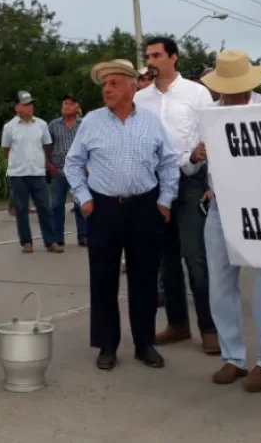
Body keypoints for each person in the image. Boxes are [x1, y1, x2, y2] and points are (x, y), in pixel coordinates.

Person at [64, 59, 180, 371]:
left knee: (144, 280)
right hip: (104, 208)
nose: (107, 89)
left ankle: (145, 344)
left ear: (132, 86)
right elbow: (73, 162)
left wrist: (166, 199)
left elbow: (168, 163)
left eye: (114, 83)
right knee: (103, 279)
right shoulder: (91, 121)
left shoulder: (151, 122)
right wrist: (84, 198)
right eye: (104, 84)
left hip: (145, 206)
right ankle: (107, 345)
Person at [196, 50, 261, 393]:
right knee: (220, 284)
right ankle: (233, 356)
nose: (229, 94)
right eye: (224, 88)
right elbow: (196, 160)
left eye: (235, 87)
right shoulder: (210, 114)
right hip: (220, 205)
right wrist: (196, 155)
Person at [134, 37, 219, 355]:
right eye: (148, 56)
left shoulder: (197, 94)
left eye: (157, 55)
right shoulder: (141, 99)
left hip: (191, 182)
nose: (151, 61)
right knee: (165, 259)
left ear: (174, 58)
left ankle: (210, 327)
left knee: (195, 257)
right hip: (155, 186)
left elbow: (211, 136)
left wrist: (208, 172)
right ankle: (178, 324)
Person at [1, 91, 60, 253]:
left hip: (38, 172)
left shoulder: (41, 124)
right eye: (26, 104)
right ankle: (26, 242)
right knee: (21, 210)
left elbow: (46, 146)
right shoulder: (9, 127)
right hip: (18, 174)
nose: (30, 107)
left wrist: (46, 164)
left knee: (45, 208)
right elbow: (6, 150)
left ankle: (50, 241)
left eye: (31, 104)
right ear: (17, 107)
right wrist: (17, 162)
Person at [47, 94, 87, 247]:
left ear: (76, 107)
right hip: (59, 170)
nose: (67, 106)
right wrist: (48, 164)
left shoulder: (83, 124)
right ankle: (58, 237)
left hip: (79, 170)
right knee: (57, 204)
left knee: (80, 204)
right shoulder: (54, 125)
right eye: (65, 103)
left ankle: (83, 236)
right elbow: (47, 146)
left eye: (70, 104)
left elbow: (89, 144)